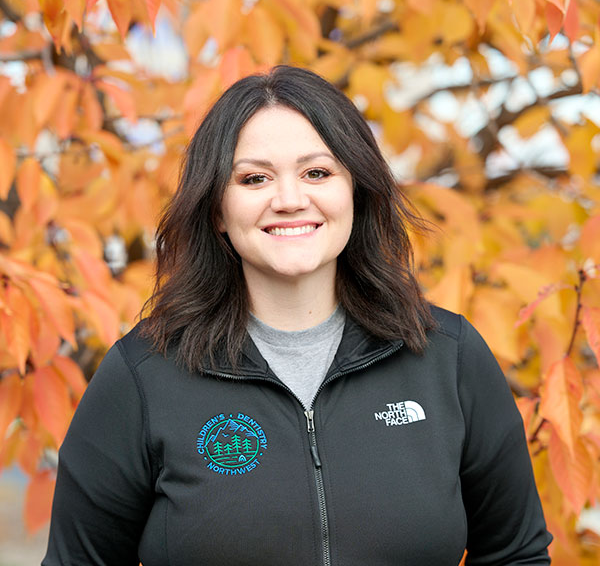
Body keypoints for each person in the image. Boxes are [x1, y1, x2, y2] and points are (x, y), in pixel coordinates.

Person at [42, 65, 552, 565]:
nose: (289, 200)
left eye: (317, 172)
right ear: (217, 208)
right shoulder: (142, 377)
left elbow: (517, 555)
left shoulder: (448, 355)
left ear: (355, 190)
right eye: (255, 178)